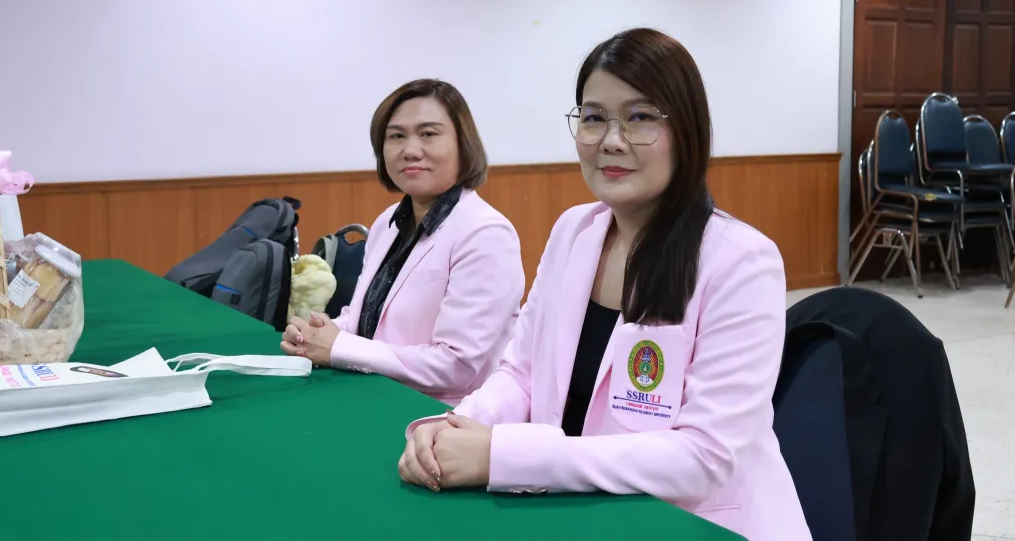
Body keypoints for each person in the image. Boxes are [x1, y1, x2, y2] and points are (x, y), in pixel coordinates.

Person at [397, 30, 812, 541]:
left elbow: (703, 457)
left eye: (640, 117)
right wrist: (458, 425)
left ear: (687, 130)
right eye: (593, 118)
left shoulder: (741, 261)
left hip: (690, 523)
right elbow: (521, 374)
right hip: (576, 509)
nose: (612, 140)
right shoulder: (574, 231)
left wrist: (503, 456)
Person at [281, 79, 525, 407]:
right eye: (396, 136)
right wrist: (315, 332)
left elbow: (457, 366)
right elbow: (364, 319)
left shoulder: (486, 233)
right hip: (375, 395)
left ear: (463, 144)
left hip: (445, 417)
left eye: (428, 134)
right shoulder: (388, 222)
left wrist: (337, 347)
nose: (410, 149)